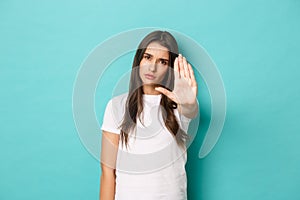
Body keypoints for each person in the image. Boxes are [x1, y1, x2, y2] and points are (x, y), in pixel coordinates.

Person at [99, 30, 198, 200]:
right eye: (148, 57)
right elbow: (108, 171)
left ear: (170, 68)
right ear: (139, 60)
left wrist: (189, 103)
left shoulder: (178, 103)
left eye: (162, 61)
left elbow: (190, 110)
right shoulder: (116, 106)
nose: (152, 67)